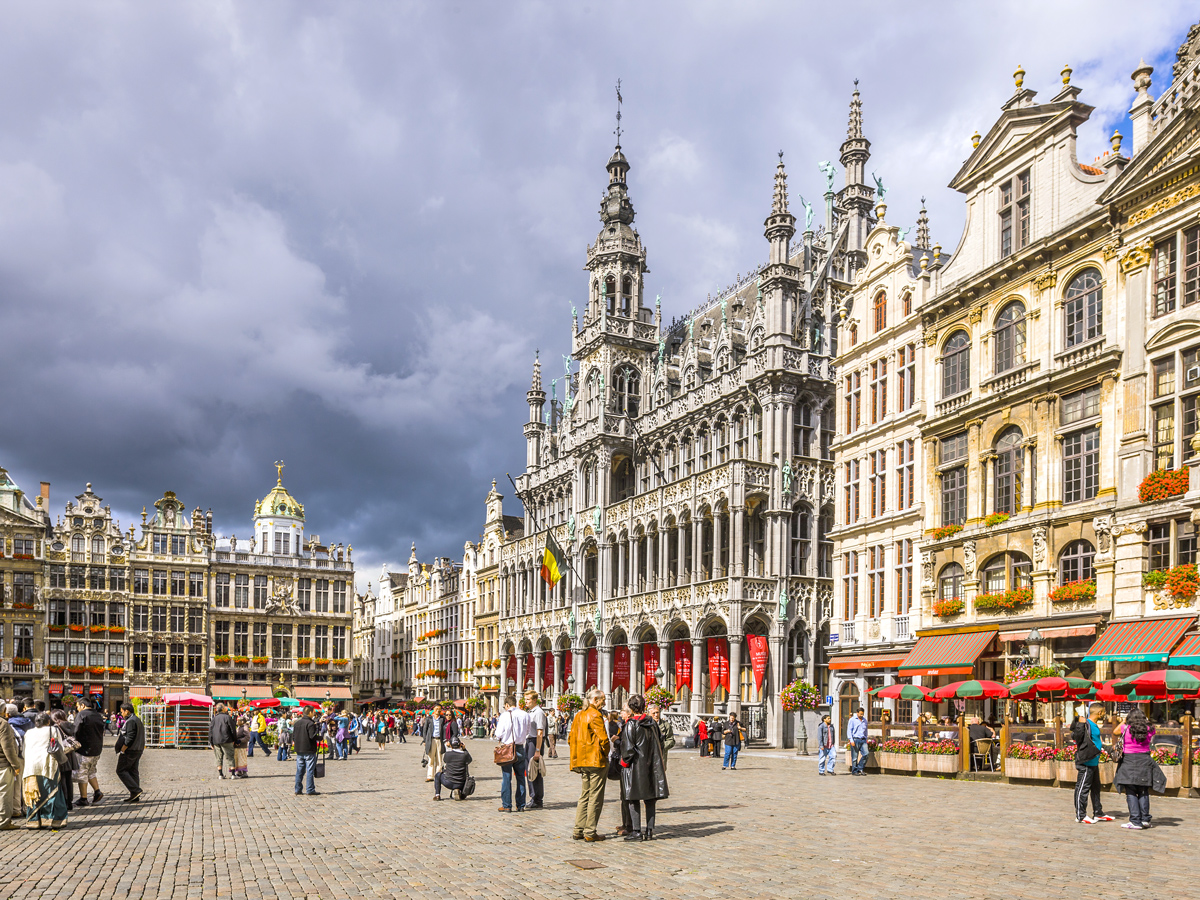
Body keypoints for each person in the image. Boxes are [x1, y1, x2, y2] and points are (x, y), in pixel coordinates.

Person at [618, 694, 669, 841]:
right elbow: (660, 741)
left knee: (634, 799)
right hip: (652, 765)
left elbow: (628, 749)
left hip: (635, 767)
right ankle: (650, 831)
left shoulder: (631, 724)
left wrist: (624, 761)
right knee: (650, 799)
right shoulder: (652, 723)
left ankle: (636, 831)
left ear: (632, 708)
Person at [568, 689, 610, 842]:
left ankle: (578, 829)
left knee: (584, 795)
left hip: (582, 760)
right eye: (602, 700)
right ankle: (590, 831)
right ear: (595, 700)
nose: (604, 703)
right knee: (595, 797)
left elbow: (570, 737)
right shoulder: (595, 715)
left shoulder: (579, 714)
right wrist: (606, 754)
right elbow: (604, 739)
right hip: (596, 760)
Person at [1113, 708, 1159, 829]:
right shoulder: (1149, 729)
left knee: (1131, 790)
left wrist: (1124, 720)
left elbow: (1115, 731)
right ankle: (1145, 819)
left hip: (1129, 760)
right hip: (1144, 760)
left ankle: (1135, 820)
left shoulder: (1126, 728)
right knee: (1143, 790)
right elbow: (1153, 728)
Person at [1070, 701, 1114, 824]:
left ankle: (1098, 813)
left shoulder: (1094, 725)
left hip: (1094, 761)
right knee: (1082, 788)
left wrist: (1109, 748)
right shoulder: (1085, 724)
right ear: (1100, 713)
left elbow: (1097, 742)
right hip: (1086, 762)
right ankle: (1081, 815)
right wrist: (1080, 723)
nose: (1104, 714)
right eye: (1104, 712)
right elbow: (1077, 738)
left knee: (1096, 788)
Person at [22, 713, 68, 830]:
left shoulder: (29, 732)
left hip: (31, 766)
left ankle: (34, 821)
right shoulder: (53, 730)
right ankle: (54, 820)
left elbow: (24, 751)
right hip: (47, 765)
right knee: (52, 792)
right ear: (48, 722)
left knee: (34, 793)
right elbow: (60, 747)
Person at [493, 694, 530, 813]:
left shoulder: (505, 715)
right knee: (520, 777)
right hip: (520, 748)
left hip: (507, 748)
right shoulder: (525, 714)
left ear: (507, 705)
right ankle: (521, 805)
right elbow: (528, 731)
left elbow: (498, 733)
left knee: (506, 777)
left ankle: (507, 805)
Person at [73, 698, 105, 805]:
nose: (77, 709)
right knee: (91, 771)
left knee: (82, 773)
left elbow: (76, 731)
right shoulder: (98, 715)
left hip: (84, 749)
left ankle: (83, 798)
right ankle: (97, 791)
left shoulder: (82, 715)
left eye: (77, 706)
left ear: (82, 705)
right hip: (97, 748)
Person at [113, 701, 144, 803]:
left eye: (122, 711)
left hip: (130, 750)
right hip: (138, 749)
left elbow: (130, 737)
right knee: (133, 771)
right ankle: (135, 795)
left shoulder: (131, 721)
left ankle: (135, 790)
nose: (121, 714)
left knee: (120, 770)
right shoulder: (137, 719)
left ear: (127, 711)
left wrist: (123, 749)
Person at [524, 691, 548, 810]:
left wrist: (537, 750)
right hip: (529, 741)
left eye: (528, 699)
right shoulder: (530, 712)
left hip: (535, 742)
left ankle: (537, 798)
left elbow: (540, 733)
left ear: (534, 700)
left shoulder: (539, 712)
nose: (526, 701)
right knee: (529, 770)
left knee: (534, 770)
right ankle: (533, 796)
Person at [0, 704, 22, 830]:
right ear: (3, 710)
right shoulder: (3, 724)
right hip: (3, 765)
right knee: (4, 794)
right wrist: (15, 765)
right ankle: (3, 822)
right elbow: (8, 747)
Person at [291, 707, 321, 796]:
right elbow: (312, 736)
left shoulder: (297, 723)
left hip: (299, 749)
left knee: (299, 770)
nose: (314, 714)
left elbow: (293, 737)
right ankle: (310, 789)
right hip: (309, 749)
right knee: (310, 770)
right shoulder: (310, 723)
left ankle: (298, 789)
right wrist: (320, 737)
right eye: (313, 712)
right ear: (310, 712)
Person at [434, 737, 472, 801]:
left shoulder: (447, 754)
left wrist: (448, 747)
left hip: (449, 782)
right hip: (461, 783)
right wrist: (464, 749)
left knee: (438, 775)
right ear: (460, 745)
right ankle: (460, 791)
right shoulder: (464, 755)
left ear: (451, 745)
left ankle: (437, 795)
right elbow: (470, 760)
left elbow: (445, 760)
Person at [209, 703, 237, 779]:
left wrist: (211, 742)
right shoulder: (228, 717)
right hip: (227, 739)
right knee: (230, 756)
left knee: (218, 757)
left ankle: (220, 774)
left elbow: (210, 731)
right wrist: (235, 739)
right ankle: (233, 774)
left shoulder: (214, 719)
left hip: (216, 740)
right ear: (223, 709)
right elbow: (233, 729)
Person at [649, 704, 675, 770]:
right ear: (649, 714)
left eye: (657, 712)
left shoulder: (666, 725)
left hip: (661, 756)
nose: (656, 715)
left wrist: (662, 746)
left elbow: (671, 740)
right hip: (648, 756)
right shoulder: (646, 725)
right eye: (653, 713)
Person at [848, 708, 869, 776]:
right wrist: (851, 740)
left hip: (863, 739)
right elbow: (849, 730)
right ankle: (854, 771)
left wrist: (866, 738)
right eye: (860, 714)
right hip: (855, 739)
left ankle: (860, 768)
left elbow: (865, 730)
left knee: (866, 754)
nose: (861, 715)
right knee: (854, 757)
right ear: (857, 713)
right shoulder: (852, 720)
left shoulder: (864, 720)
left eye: (862, 714)